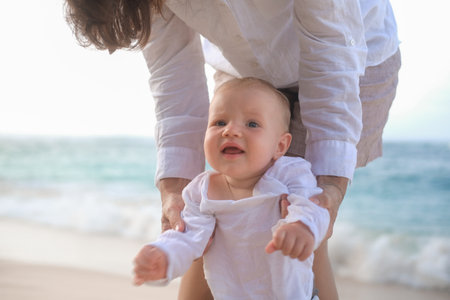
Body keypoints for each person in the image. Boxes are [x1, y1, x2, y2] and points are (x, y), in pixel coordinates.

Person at [64, 1, 401, 299]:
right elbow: (174, 79)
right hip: (242, 67)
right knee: (211, 213)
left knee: (301, 221)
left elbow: (332, 44)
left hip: (351, 52)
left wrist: (329, 190)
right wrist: (173, 196)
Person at [133, 78, 330, 299]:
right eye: (219, 122)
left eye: (252, 124)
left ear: (280, 146)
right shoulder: (200, 190)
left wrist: (302, 227)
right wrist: (164, 256)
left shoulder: (290, 173)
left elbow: (313, 207)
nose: (231, 131)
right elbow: (188, 237)